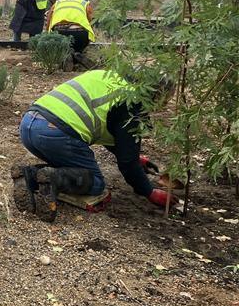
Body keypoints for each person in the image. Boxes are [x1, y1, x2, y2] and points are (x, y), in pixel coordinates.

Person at [12, 70, 177, 223]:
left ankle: (30, 175)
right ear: (155, 94)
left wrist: (135, 157)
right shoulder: (131, 104)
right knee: (96, 183)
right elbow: (127, 164)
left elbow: (107, 125)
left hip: (29, 126)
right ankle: (51, 178)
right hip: (56, 134)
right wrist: (149, 192)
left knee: (67, 167)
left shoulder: (109, 77)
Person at [43, 0, 96, 69]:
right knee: (78, 47)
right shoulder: (83, 3)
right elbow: (89, 20)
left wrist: (47, 36)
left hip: (61, 33)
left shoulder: (57, 4)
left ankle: (66, 57)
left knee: (63, 47)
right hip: (81, 35)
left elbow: (49, 22)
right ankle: (79, 57)